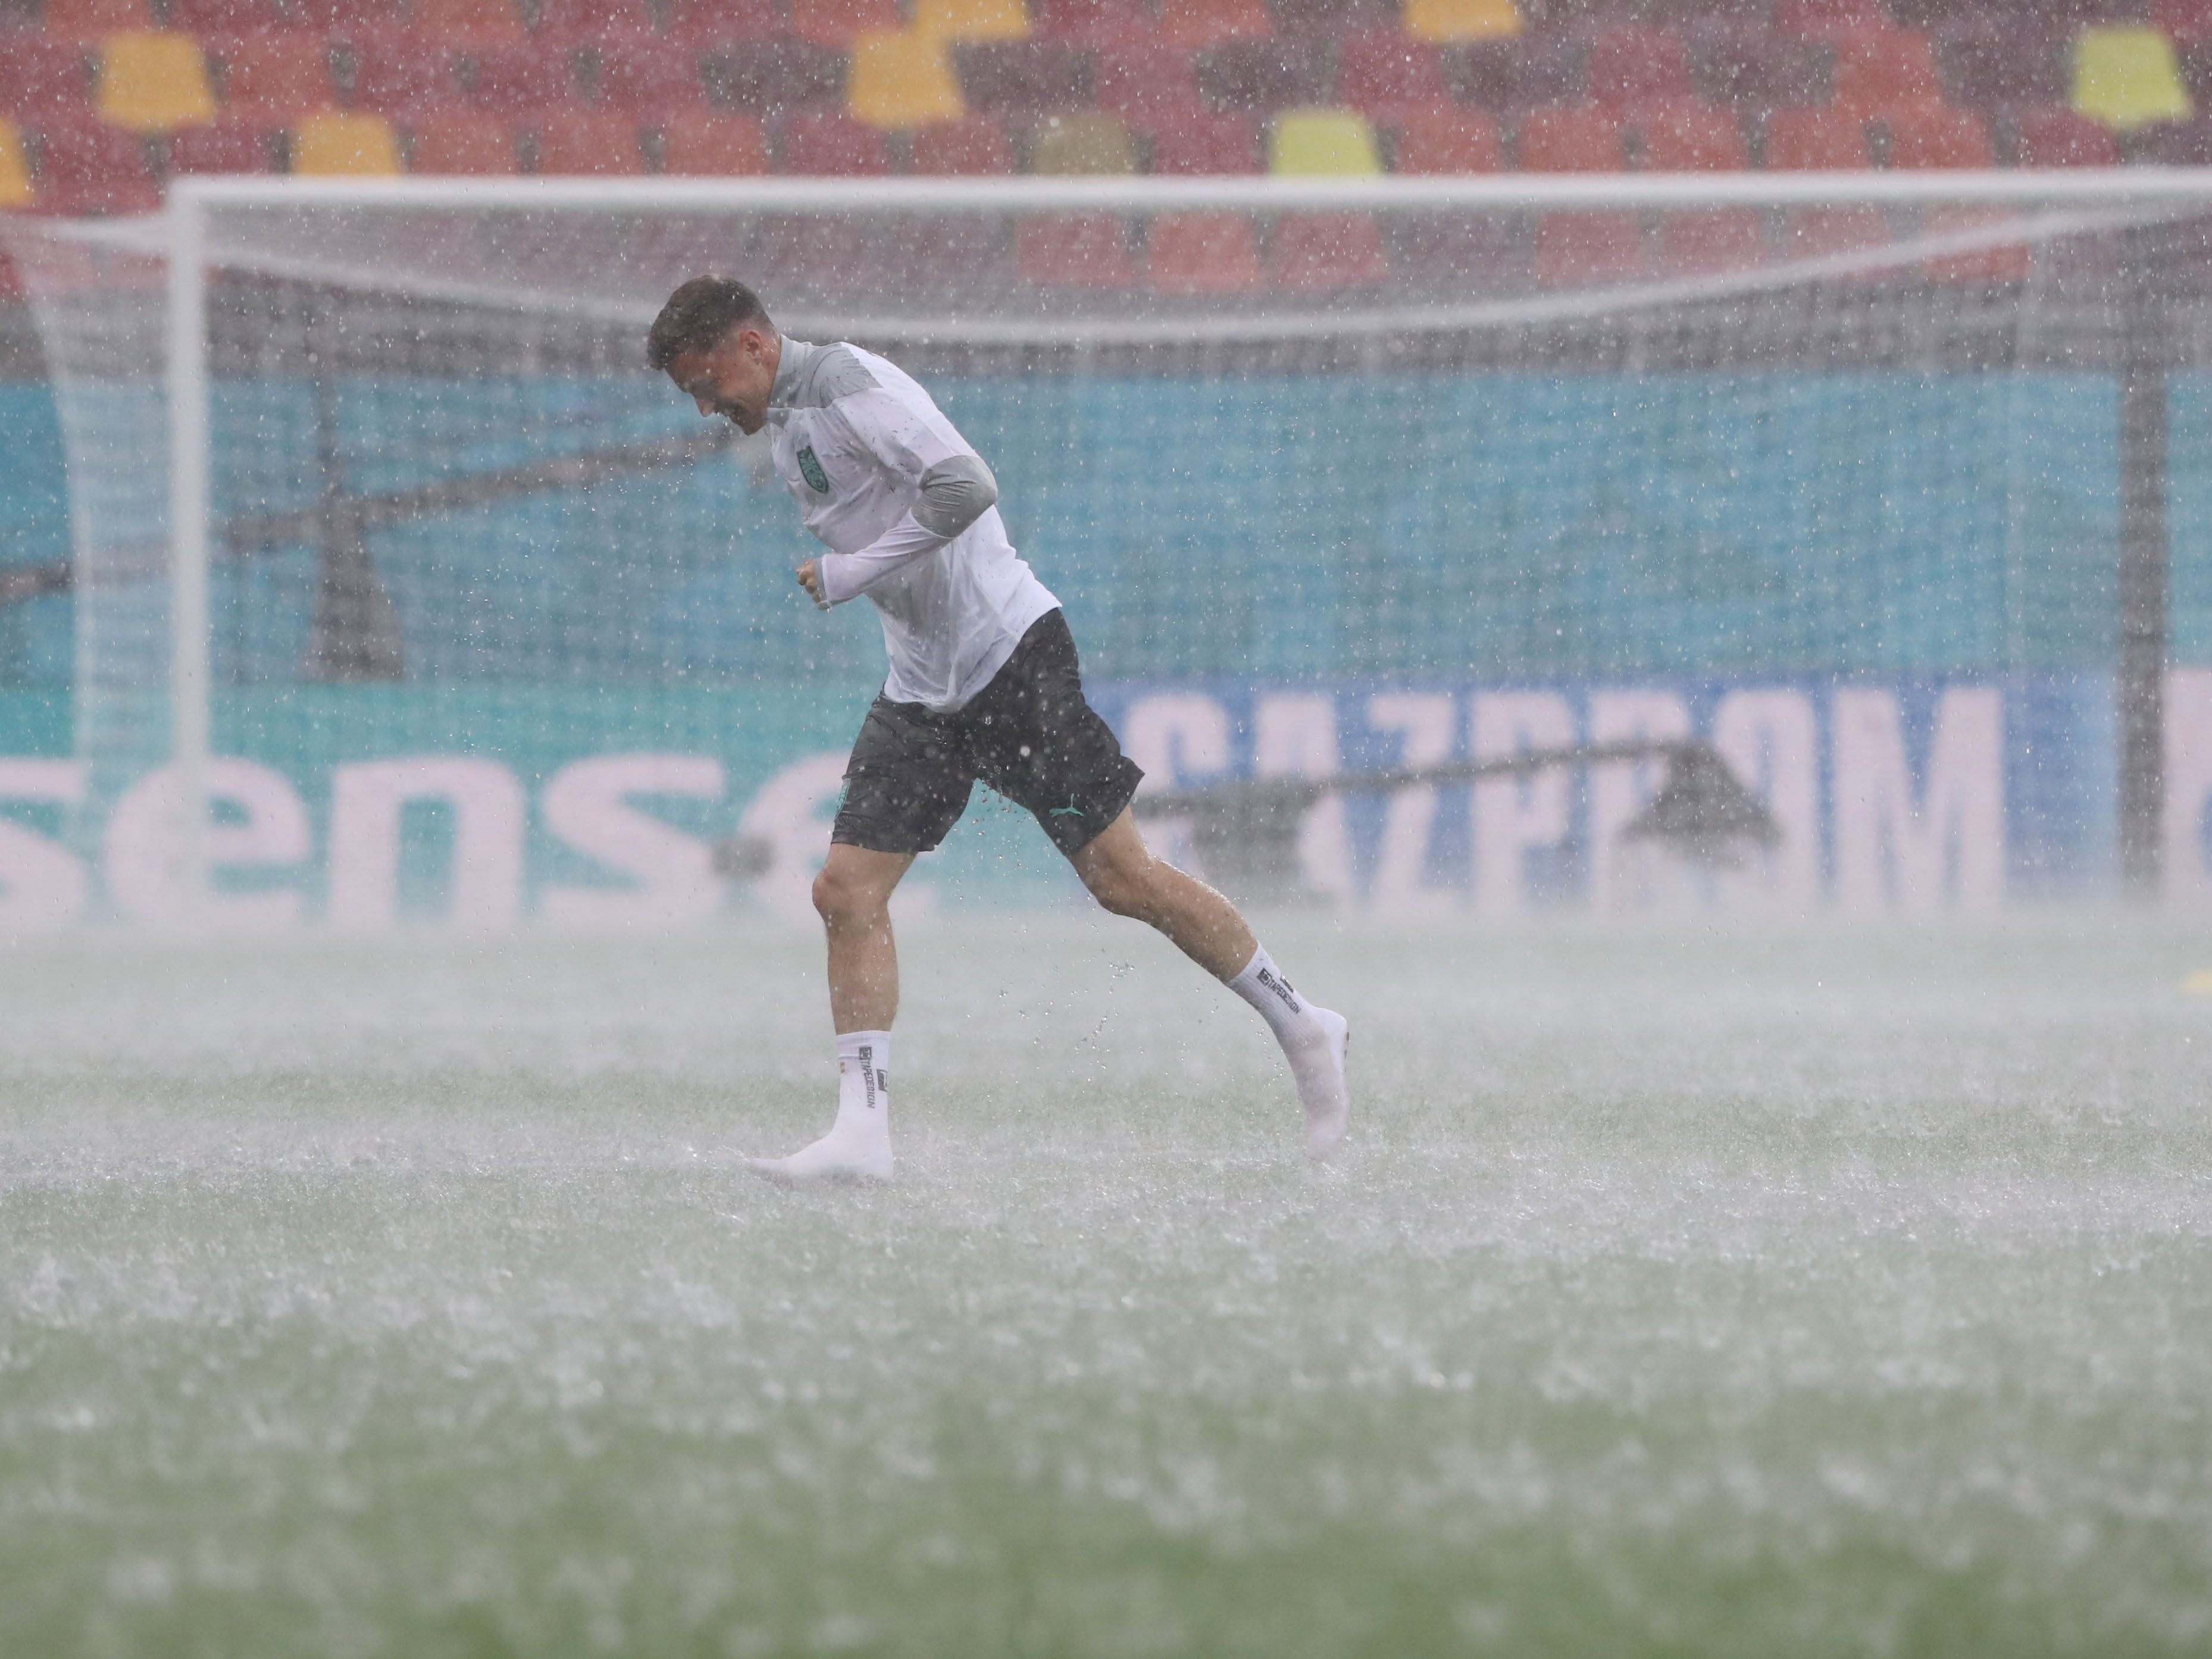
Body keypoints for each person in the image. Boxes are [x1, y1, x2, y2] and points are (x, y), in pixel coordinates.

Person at [647, 277, 1350, 1182]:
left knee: (1123, 880)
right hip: (923, 688)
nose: (707, 407)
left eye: (708, 384)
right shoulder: (785, 419)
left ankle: (1300, 1021)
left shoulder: (851, 382)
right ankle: (862, 1136)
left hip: (1010, 658)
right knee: (843, 893)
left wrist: (853, 570)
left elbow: (966, 486)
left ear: (752, 344)